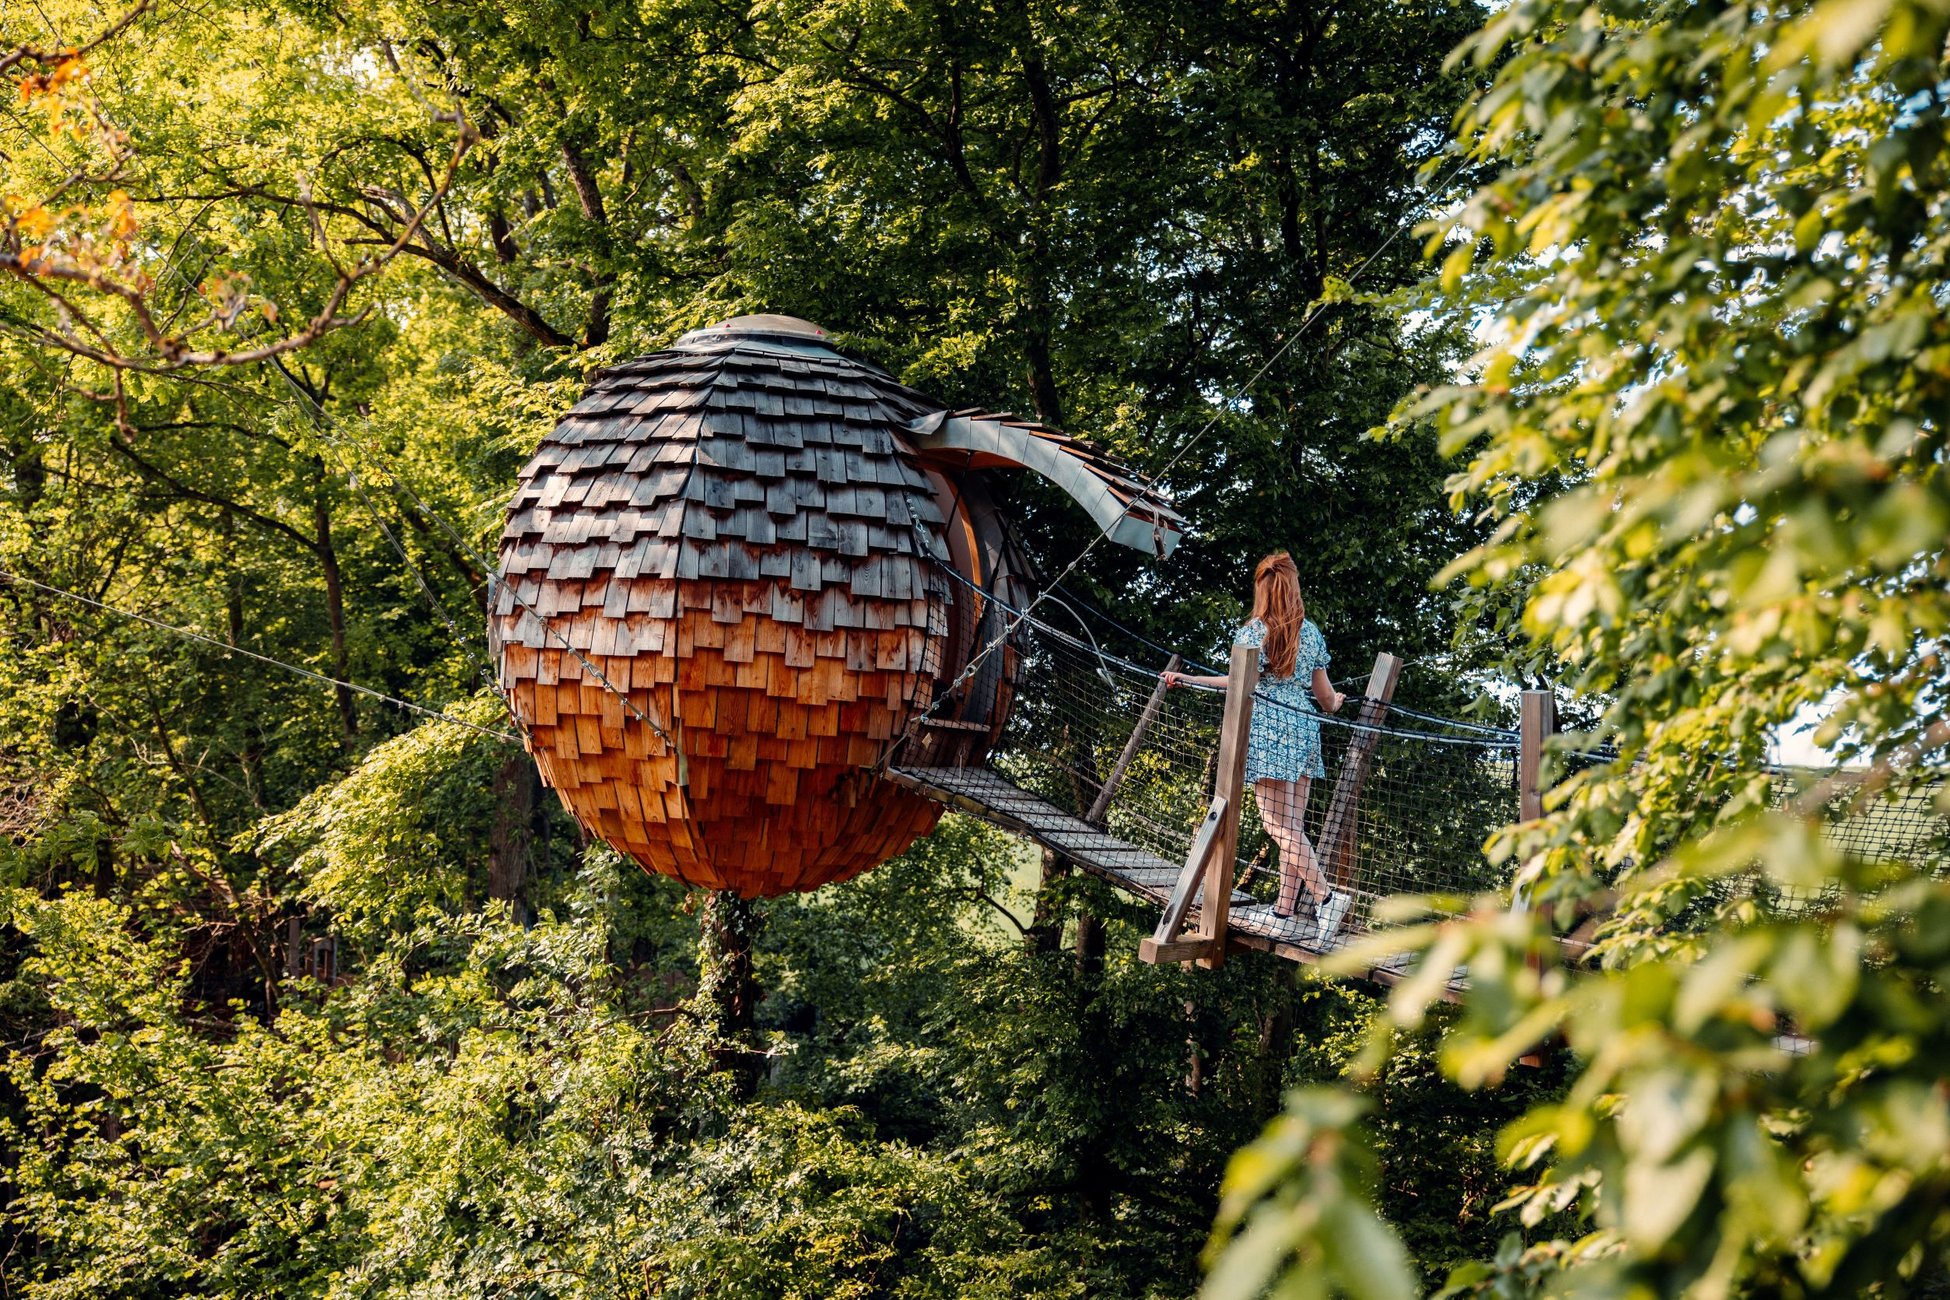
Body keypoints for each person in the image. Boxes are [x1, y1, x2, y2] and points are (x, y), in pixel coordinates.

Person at [1163, 552, 1353, 941]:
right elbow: (1325, 696)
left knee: (1276, 824)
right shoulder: (1310, 632)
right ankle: (1284, 910)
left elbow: (1236, 681)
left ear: (1263, 590)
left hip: (1270, 730)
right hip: (1303, 727)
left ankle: (1326, 898)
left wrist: (1187, 678)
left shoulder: (1254, 632)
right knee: (1293, 826)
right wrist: (1336, 703)